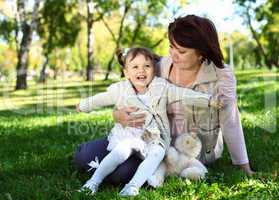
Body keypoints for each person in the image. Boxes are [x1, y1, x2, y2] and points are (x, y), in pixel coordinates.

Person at [74, 14, 253, 187]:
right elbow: (127, 92)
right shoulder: (159, 67)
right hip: (145, 137)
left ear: (201, 52)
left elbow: (231, 121)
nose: (173, 55)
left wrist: (243, 166)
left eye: (181, 51)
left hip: (183, 151)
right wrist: (117, 115)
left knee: (120, 173)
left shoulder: (221, 76)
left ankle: (130, 172)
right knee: (84, 155)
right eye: (171, 47)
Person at [76, 47, 222, 196]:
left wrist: (209, 100)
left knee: (157, 152)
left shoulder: (162, 87)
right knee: (121, 150)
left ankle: (133, 186)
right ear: (126, 73)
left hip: (155, 138)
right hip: (129, 136)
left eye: (147, 66)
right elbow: (101, 98)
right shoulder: (121, 89)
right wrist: (83, 105)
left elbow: (184, 94)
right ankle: (93, 182)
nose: (142, 70)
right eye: (135, 67)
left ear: (154, 69)